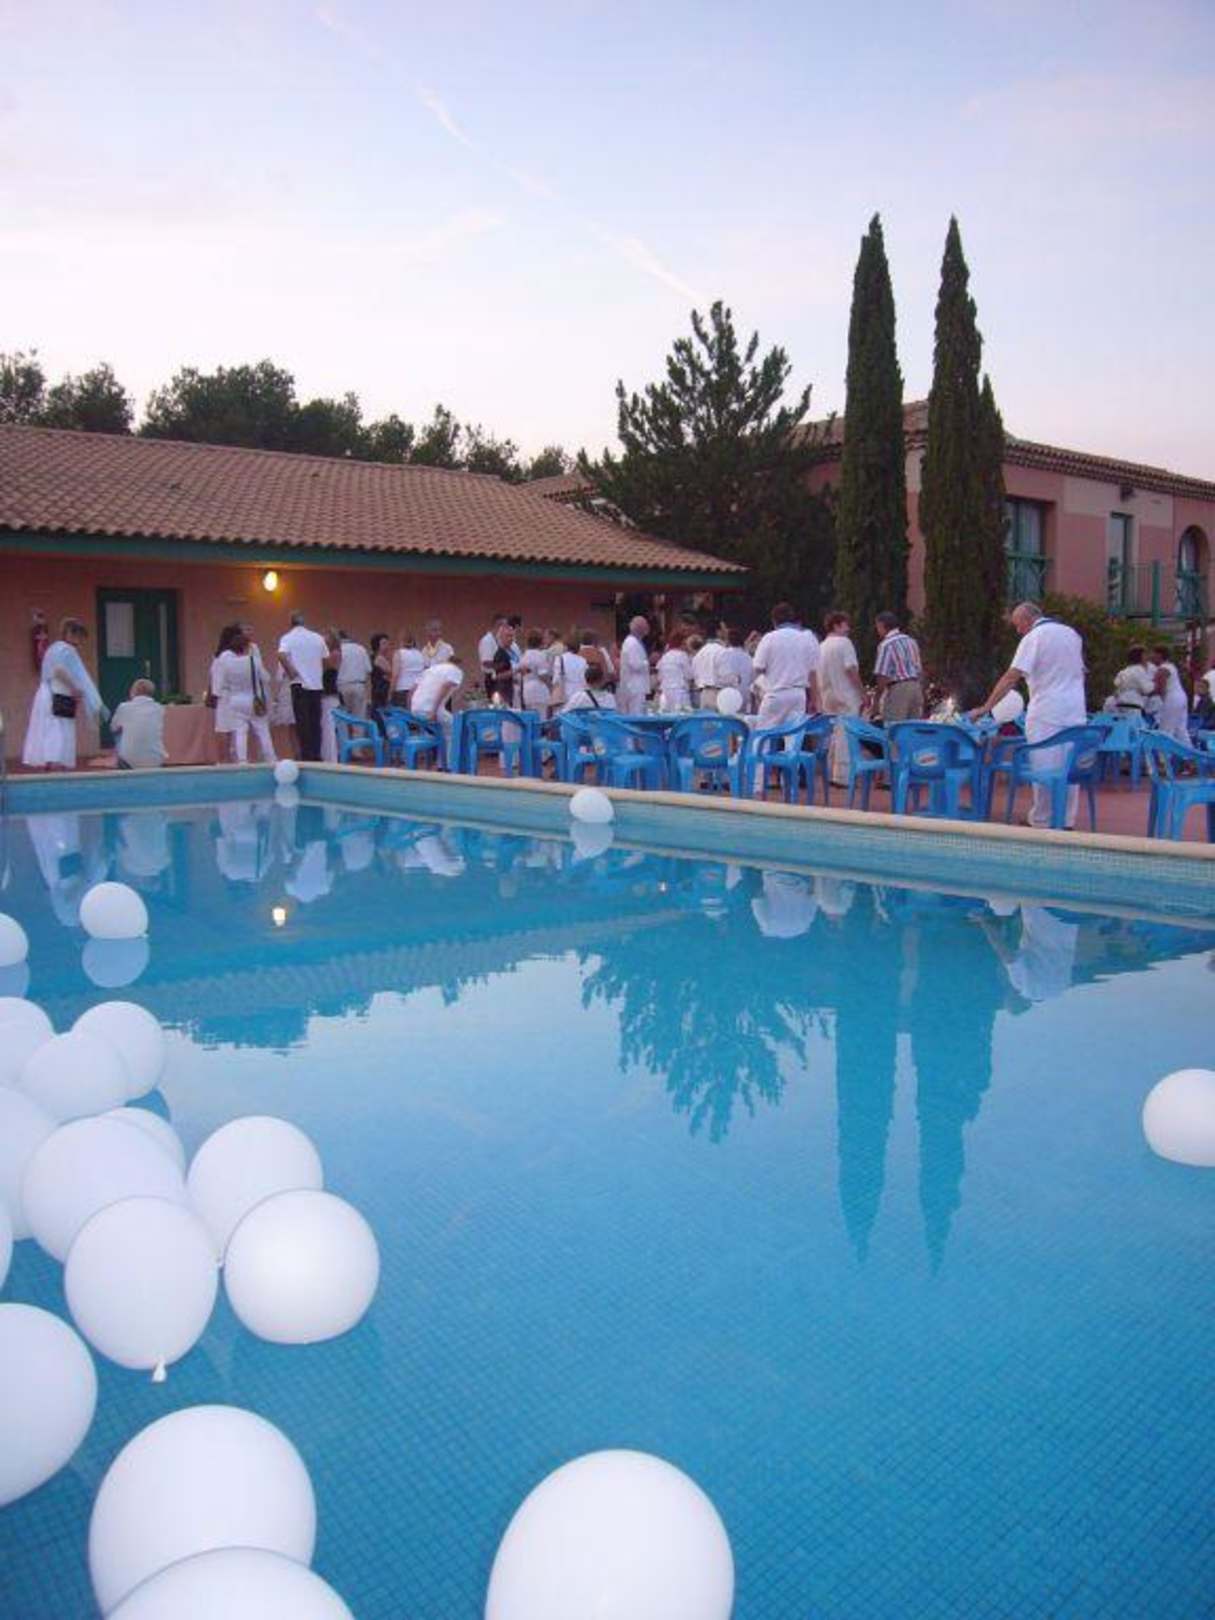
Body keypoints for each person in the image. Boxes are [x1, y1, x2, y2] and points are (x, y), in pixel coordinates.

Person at [970, 601, 1086, 829]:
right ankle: (1066, 820)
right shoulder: (1072, 634)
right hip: (1075, 709)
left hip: (1047, 711)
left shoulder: (1034, 637)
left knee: (1043, 766)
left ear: (1027, 619)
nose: (1018, 630)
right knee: (1069, 768)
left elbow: (1011, 677)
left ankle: (1042, 819)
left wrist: (986, 706)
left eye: (1018, 625)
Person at [22, 617, 107, 771]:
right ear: (70, 633)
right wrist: (75, 688)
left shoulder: (54, 648)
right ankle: (57, 761)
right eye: (78, 636)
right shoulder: (67, 649)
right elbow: (59, 670)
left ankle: (48, 761)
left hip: (47, 692)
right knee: (60, 728)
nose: (80, 641)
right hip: (59, 693)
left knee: (49, 728)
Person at [215, 628, 276, 763]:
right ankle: (270, 758)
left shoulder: (228, 663)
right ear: (246, 647)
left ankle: (242, 760)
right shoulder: (254, 661)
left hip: (235, 700)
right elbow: (266, 678)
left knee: (240, 732)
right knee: (262, 730)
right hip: (254, 700)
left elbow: (223, 683)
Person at [818, 611, 865, 788]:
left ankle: (830, 771)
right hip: (845, 693)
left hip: (827, 694)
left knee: (833, 734)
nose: (848, 628)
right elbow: (850, 668)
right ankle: (843, 776)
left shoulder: (821, 646)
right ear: (836, 625)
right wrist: (862, 692)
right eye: (845, 625)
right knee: (846, 733)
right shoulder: (844, 643)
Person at [277, 611, 327, 762]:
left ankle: (307, 755)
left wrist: (291, 671)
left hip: (299, 683)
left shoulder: (288, 638)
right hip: (316, 684)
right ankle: (316, 754)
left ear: (291, 623)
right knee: (315, 721)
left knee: (302, 722)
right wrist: (317, 672)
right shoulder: (317, 637)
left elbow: (281, 655)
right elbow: (325, 658)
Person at [873, 611, 923, 721]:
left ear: (881, 625)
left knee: (894, 725)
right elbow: (919, 669)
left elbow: (882, 675)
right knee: (913, 726)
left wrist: (876, 700)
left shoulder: (886, 645)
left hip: (898, 688)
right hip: (915, 686)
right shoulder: (911, 642)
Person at [411, 653, 464, 758]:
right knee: (456, 728)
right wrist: (434, 711)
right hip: (430, 709)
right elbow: (445, 687)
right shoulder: (456, 671)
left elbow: (412, 689)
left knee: (443, 729)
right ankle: (451, 762)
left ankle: (440, 759)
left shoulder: (431, 670)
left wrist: (411, 709)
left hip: (416, 709)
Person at [110, 679, 166, 769]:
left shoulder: (124, 707)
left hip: (129, 760)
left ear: (133, 692)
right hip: (156, 758)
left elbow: (113, 727)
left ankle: (118, 760)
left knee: (118, 734)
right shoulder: (159, 708)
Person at [1150, 645, 1189, 744]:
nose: (1151, 656)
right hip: (1181, 697)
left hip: (1172, 698)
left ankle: (1163, 752)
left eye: (1153, 654)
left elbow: (1160, 688)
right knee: (1180, 729)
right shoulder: (1171, 666)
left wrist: (1145, 693)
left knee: (1166, 728)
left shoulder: (1163, 669)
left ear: (1159, 655)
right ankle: (1188, 751)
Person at [618, 615, 652, 715]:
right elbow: (636, 665)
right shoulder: (632, 643)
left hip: (634, 685)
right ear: (640, 628)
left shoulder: (634, 642)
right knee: (636, 714)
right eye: (646, 626)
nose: (648, 628)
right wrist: (648, 662)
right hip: (635, 686)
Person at [1111, 645, 1155, 718]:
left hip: (1120, 702)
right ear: (1140, 657)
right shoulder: (1139, 670)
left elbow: (1116, 684)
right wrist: (1155, 684)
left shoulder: (1124, 671)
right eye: (1145, 655)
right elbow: (1147, 689)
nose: (1147, 657)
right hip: (1133, 703)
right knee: (1134, 723)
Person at [717, 626, 754, 711]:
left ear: (728, 640)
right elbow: (752, 677)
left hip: (728, 696)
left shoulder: (723, 654)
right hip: (744, 694)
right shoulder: (747, 657)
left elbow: (721, 676)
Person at [656, 629, 694, 712]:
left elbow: (659, 677)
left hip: (665, 691)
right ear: (681, 643)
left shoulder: (665, 657)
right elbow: (689, 675)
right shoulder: (682, 655)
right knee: (682, 714)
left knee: (667, 714)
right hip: (680, 691)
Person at [337, 630, 372, 717]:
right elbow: (368, 670)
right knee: (359, 717)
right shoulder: (361, 649)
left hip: (342, 686)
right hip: (359, 685)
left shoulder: (338, 650)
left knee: (343, 717)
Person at [519, 629, 554, 715]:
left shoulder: (524, 656)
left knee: (530, 717)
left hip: (527, 691)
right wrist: (551, 688)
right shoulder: (540, 655)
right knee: (541, 717)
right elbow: (543, 675)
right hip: (539, 691)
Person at [320, 628, 342, 762]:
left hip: (329, 695)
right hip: (324, 694)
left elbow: (325, 667)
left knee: (329, 729)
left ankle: (331, 758)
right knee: (324, 729)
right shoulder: (328, 654)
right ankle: (326, 756)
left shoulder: (335, 654)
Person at [691, 624, 726, 709]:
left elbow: (694, 674)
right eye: (723, 629)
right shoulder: (722, 651)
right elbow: (727, 675)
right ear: (718, 632)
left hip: (704, 694)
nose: (725, 632)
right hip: (720, 694)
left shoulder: (700, 653)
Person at [486, 622, 518, 705]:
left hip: (516, 690)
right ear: (500, 637)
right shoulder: (499, 654)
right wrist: (516, 670)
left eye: (512, 636)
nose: (511, 639)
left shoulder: (513, 652)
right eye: (508, 636)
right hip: (505, 692)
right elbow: (497, 676)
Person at [390, 632, 424, 708]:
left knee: (401, 713)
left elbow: (395, 674)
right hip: (418, 689)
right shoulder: (420, 654)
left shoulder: (399, 653)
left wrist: (390, 691)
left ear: (401, 641)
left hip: (402, 688)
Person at [479, 615, 509, 694]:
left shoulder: (499, 641)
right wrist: (505, 665)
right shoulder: (487, 641)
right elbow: (486, 663)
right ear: (498, 626)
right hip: (493, 679)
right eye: (505, 626)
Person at [369, 633, 394, 711]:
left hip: (378, 691)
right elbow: (391, 672)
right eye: (384, 643)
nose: (387, 646)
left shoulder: (375, 657)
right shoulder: (379, 659)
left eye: (387, 643)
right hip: (381, 691)